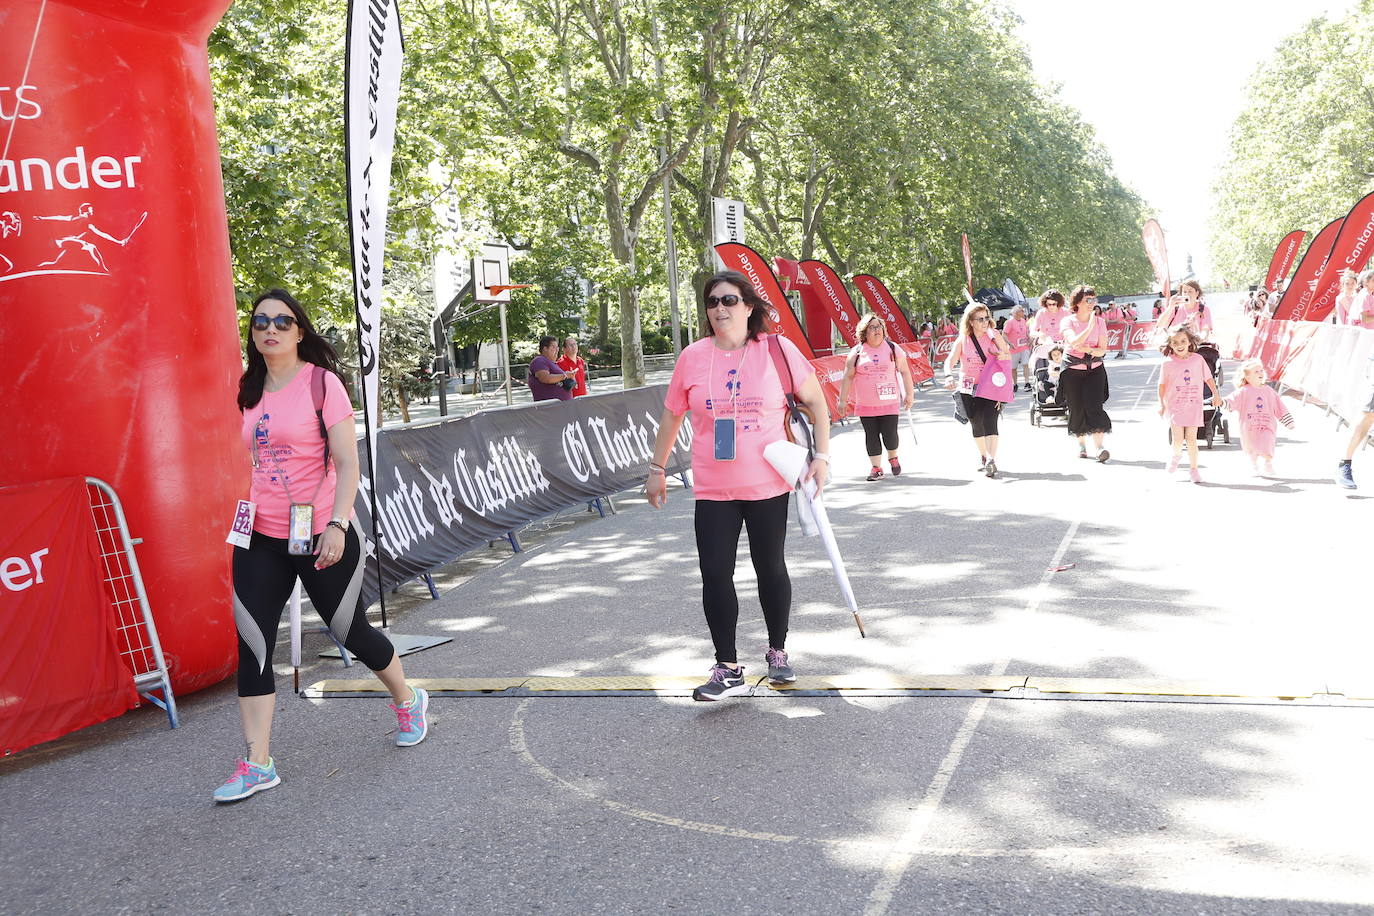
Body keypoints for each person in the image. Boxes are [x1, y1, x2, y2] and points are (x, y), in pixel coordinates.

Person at [219, 289, 428, 803]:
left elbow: (347, 463)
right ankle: (257, 762)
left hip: (320, 531)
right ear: (252, 332)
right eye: (261, 321)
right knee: (253, 644)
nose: (271, 329)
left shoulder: (322, 383)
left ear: (300, 330)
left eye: (283, 322)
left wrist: (336, 524)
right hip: (260, 536)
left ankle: (408, 697)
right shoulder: (248, 387)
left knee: (347, 630)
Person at [644, 271, 831, 701]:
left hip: (768, 483)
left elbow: (817, 402)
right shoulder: (692, 356)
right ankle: (726, 666)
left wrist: (821, 458)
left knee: (770, 568)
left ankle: (778, 653)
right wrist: (657, 468)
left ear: (749, 307)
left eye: (729, 300)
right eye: (712, 302)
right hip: (713, 487)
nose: (720, 309)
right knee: (714, 573)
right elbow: (673, 415)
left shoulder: (777, 350)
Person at [836, 314, 915, 480]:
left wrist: (909, 394)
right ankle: (876, 468)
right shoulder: (857, 352)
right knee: (871, 436)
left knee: (890, 434)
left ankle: (893, 457)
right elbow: (848, 376)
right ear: (864, 332)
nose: (877, 330)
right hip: (866, 404)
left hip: (889, 401)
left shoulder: (893, 348)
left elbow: (905, 372)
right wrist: (842, 400)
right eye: (872, 327)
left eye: (879, 327)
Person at [945, 300, 1011, 478]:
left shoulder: (993, 335)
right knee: (976, 424)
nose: (984, 322)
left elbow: (1007, 355)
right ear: (970, 321)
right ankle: (983, 455)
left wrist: (999, 351)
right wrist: (948, 375)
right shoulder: (963, 339)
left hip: (991, 387)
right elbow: (950, 360)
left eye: (986, 318)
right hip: (968, 388)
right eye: (980, 319)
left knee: (991, 421)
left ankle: (991, 459)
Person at [1157, 326, 1221, 483]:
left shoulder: (1198, 360)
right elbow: (1161, 385)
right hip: (1175, 406)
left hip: (1193, 405)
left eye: (1183, 341)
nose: (1180, 345)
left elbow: (1209, 378)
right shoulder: (1167, 363)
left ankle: (1194, 470)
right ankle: (1176, 455)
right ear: (1170, 344)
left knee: (1191, 439)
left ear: (1189, 342)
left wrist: (1215, 394)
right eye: (1175, 342)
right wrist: (1161, 404)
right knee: (1178, 440)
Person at [1059, 285, 1112, 462]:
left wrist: (1088, 348)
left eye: (1093, 299)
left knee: (1095, 406)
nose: (1092, 303)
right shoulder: (1068, 321)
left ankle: (1100, 448)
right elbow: (1073, 342)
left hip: (1095, 369)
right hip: (1072, 371)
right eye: (1088, 300)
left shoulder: (1101, 322)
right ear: (1078, 302)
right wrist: (1088, 328)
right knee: (1076, 408)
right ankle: (1082, 445)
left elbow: (1102, 350)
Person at [1225, 358, 1293, 477]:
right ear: (1247, 376)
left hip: (1267, 424)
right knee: (1252, 447)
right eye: (1256, 371)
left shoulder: (1269, 391)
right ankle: (1254, 465)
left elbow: (1279, 406)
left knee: (1267, 442)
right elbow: (1231, 401)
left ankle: (1268, 463)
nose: (1260, 373)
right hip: (1249, 427)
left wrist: (1288, 421)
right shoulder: (1243, 392)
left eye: (1261, 370)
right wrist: (1221, 402)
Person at [528, 335, 574, 401]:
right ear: (545, 348)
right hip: (549, 407)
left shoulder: (552, 364)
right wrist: (565, 375)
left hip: (562, 406)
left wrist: (570, 377)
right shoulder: (540, 360)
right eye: (553, 347)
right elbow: (545, 378)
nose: (557, 350)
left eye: (557, 347)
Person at [1003, 305, 1032, 391]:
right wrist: (1010, 343)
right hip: (1014, 349)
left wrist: (1029, 338)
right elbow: (1004, 334)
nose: (1023, 312)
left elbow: (1027, 332)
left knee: (1025, 364)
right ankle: (1015, 384)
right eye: (1022, 311)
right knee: (1013, 368)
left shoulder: (1023, 320)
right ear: (1016, 313)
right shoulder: (1010, 322)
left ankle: (1027, 383)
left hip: (1024, 347)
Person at [1031, 288, 1066, 357]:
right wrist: (1039, 334)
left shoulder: (1066, 312)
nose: (1051, 306)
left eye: (1054, 304)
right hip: (1045, 347)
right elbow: (1032, 332)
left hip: (1062, 347)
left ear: (1058, 303)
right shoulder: (1041, 313)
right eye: (1049, 304)